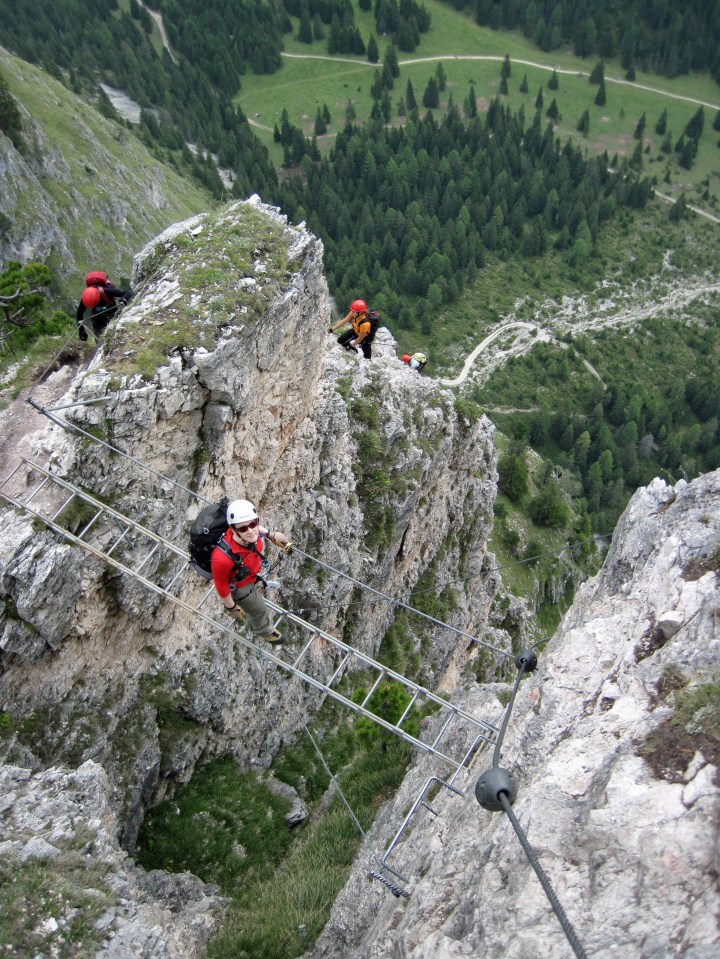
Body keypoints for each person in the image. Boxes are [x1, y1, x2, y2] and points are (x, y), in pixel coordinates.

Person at [211, 498, 291, 645]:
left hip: (250, 573)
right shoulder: (221, 558)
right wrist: (231, 607)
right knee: (259, 609)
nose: (250, 530)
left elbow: (252, 528)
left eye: (254, 524)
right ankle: (264, 631)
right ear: (234, 530)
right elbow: (221, 585)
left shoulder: (249, 533)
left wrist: (270, 534)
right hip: (240, 585)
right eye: (243, 528)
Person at [76, 271, 132, 341]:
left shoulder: (105, 291)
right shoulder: (86, 297)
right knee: (99, 340)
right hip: (98, 320)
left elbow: (127, 293)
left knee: (115, 336)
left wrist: (123, 300)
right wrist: (81, 331)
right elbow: (79, 313)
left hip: (112, 314)